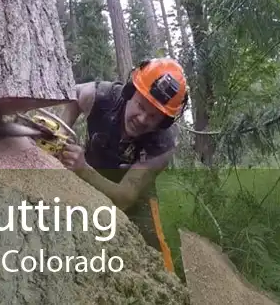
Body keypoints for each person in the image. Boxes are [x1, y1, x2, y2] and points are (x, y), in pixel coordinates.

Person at [57, 58, 189, 273]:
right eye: (140, 106)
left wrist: (82, 170)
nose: (143, 119)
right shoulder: (103, 96)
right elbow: (74, 95)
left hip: (134, 196)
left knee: (155, 254)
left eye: (154, 116)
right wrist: (62, 132)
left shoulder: (163, 143)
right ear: (129, 92)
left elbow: (126, 197)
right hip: (91, 171)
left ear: (164, 122)